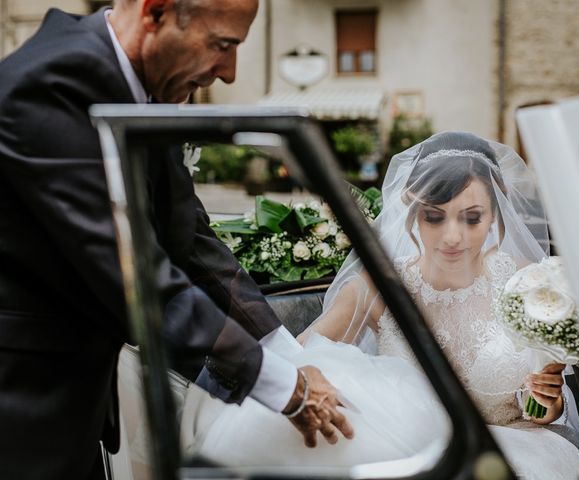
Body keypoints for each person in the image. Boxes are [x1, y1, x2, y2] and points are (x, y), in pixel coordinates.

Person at [0, 1, 352, 479]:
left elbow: (190, 239)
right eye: (222, 45)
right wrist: (284, 386)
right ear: (156, 12)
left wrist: (288, 351)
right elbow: (136, 273)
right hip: (22, 403)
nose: (229, 73)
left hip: (73, 405)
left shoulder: (144, 90)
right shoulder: (49, 86)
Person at [177, 132, 579, 479]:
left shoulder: (527, 284)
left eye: (471, 218)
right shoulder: (376, 288)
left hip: (520, 451)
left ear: (496, 209)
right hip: (419, 455)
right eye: (434, 217)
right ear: (410, 207)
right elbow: (300, 358)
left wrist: (546, 401)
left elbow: (547, 407)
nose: (452, 237)